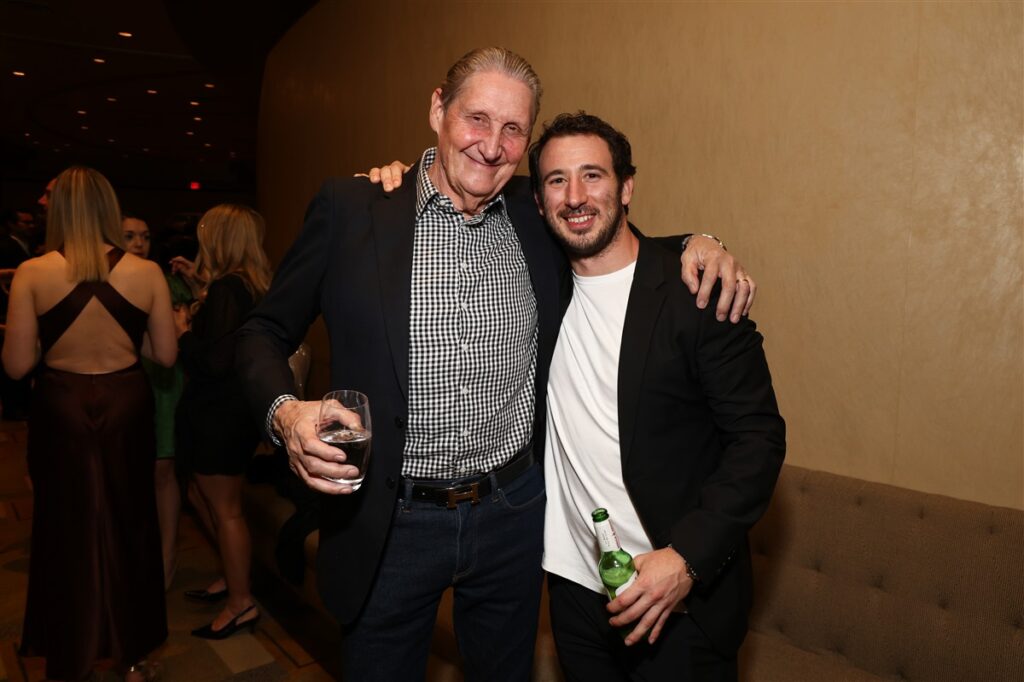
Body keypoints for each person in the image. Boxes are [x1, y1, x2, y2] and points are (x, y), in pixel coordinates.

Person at [236, 47, 753, 681]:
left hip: (512, 516)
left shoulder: (536, 215)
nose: (491, 145)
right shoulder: (355, 210)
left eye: (513, 129)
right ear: (438, 110)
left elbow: (607, 232)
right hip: (392, 521)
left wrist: (703, 243)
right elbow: (261, 331)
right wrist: (285, 413)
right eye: (476, 119)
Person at [527, 112, 786, 681]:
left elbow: (759, 439)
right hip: (574, 592)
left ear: (626, 187)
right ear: (540, 202)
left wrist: (687, 559)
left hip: (676, 601)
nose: (575, 196)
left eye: (593, 175)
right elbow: (466, 183)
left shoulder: (698, 293)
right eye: (556, 180)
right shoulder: (541, 286)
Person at [3, 166, 177, 681]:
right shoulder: (147, 272)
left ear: (58, 211)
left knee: (64, 527)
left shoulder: (32, 272)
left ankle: (69, 656)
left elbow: (16, 366)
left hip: (62, 405)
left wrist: (48, 337)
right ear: (108, 208)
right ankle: (130, 655)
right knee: (130, 522)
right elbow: (165, 355)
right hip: (126, 403)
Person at [173, 204, 271, 639]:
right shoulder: (245, 285)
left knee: (225, 508)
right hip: (228, 411)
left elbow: (214, 362)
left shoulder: (230, 288)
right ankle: (232, 579)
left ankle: (240, 602)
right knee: (202, 495)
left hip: (222, 413)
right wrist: (199, 287)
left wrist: (182, 333)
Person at [122, 213, 193, 589]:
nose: (139, 243)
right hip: (120, 385)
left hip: (162, 382)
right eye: (129, 236)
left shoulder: (164, 282)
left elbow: (181, 335)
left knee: (162, 472)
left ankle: (166, 557)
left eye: (145, 236)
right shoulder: (101, 281)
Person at [0, 208, 36, 420]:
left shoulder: (28, 246)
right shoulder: (5, 246)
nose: (31, 226)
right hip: (8, 308)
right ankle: (13, 408)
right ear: (12, 225)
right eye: (25, 222)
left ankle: (20, 404)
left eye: (32, 222)